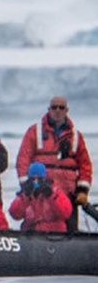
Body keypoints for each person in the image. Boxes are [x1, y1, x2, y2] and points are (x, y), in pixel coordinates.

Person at [16, 96, 92, 232]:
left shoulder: (76, 136)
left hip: (68, 193)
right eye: (54, 107)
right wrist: (27, 186)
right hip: (40, 192)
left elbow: (85, 165)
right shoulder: (35, 131)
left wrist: (82, 191)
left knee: (70, 230)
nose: (57, 111)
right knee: (35, 224)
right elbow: (23, 159)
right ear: (48, 109)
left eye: (61, 107)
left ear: (67, 110)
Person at [8, 162, 74, 233]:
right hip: (32, 236)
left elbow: (66, 213)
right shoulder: (26, 194)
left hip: (54, 235)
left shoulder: (56, 191)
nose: (36, 182)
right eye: (33, 179)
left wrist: (51, 195)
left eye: (39, 179)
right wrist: (25, 196)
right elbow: (14, 214)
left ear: (45, 178)